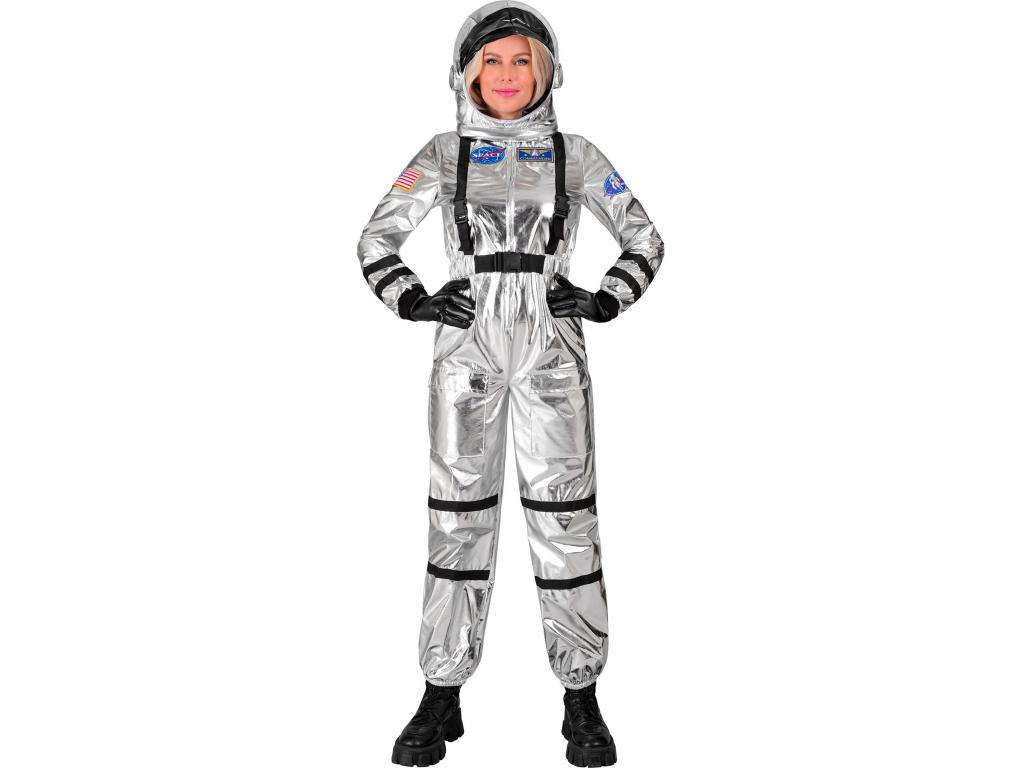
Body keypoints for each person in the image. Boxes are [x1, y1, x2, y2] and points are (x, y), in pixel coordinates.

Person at [356, 3, 664, 765]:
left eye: (521, 60)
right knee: (456, 518)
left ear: (546, 70)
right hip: (467, 351)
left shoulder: (576, 154)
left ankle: (581, 694)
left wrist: (604, 299)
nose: (505, 75)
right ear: (466, 72)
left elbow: (644, 236)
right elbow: (376, 238)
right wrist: (414, 300)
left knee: (566, 520)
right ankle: (442, 688)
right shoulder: (442, 154)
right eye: (491, 61)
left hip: (552, 352)